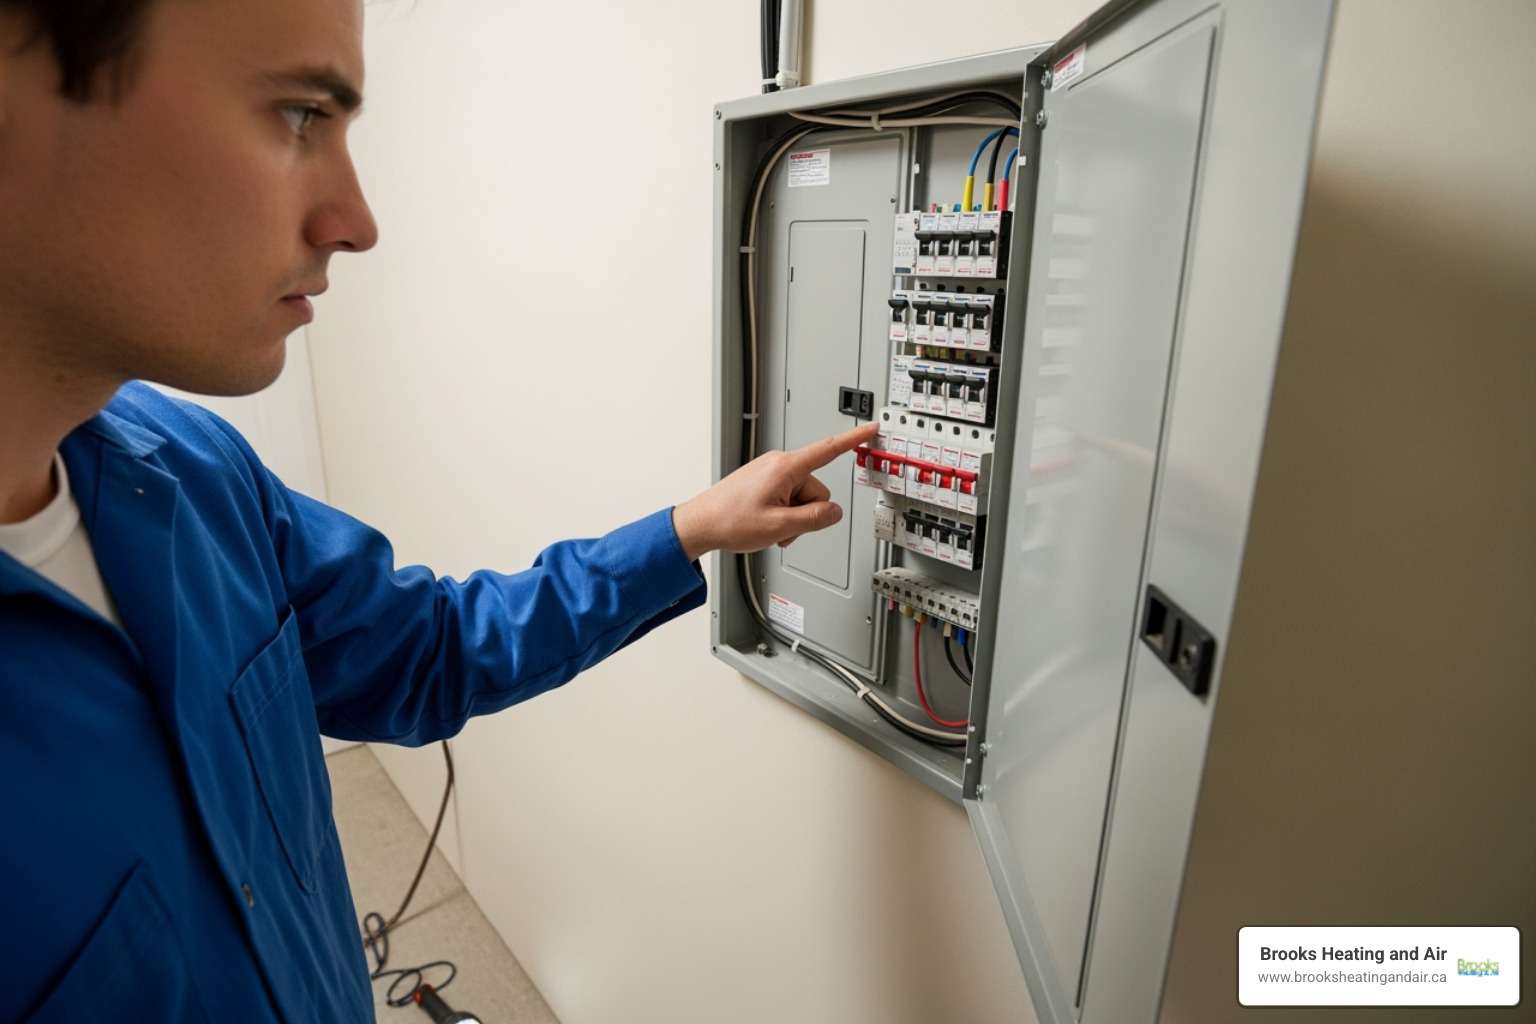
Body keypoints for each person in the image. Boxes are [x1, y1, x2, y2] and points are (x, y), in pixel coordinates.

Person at [0, 0, 876, 1020]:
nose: (358, 222)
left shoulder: (189, 470)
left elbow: (428, 652)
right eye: (296, 115)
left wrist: (689, 531)